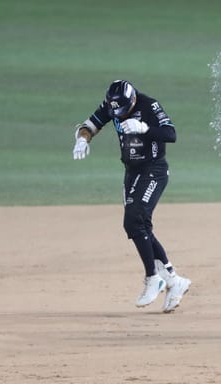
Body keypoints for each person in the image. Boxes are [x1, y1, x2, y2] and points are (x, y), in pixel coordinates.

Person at [72, 79, 191, 313]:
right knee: (138, 225)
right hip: (132, 172)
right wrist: (82, 139)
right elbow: (90, 125)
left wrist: (144, 129)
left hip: (153, 170)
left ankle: (153, 278)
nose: (119, 114)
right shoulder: (112, 105)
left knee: (134, 220)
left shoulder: (149, 105)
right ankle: (175, 282)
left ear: (133, 99)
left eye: (124, 110)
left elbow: (171, 133)